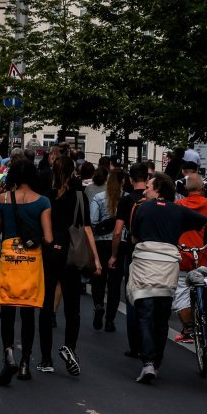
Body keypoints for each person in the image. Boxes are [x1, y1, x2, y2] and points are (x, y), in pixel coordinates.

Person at [128, 172, 207, 383]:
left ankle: (147, 364)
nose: (145, 190)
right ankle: (157, 362)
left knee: (145, 314)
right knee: (162, 318)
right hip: (169, 267)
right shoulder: (179, 210)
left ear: (158, 189)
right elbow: (206, 222)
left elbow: (134, 235)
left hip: (145, 265)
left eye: (148, 187)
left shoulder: (141, 208)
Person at [0, 159, 53, 385]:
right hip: (31, 261)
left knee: (7, 310)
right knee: (28, 312)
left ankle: (8, 354)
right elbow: (48, 238)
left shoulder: (3, 199)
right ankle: (26, 362)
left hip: (8, 260)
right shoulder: (43, 201)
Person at [38, 157, 101, 376]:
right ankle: (69, 348)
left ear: (53, 173)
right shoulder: (80, 197)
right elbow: (86, 229)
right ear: (74, 173)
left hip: (49, 254)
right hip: (72, 255)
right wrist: (96, 259)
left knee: (46, 307)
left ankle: (46, 359)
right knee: (73, 308)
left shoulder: (46, 197)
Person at [108, 162, 150, 358]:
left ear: (130, 180)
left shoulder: (126, 201)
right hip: (153, 252)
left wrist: (114, 255)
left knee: (133, 295)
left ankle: (135, 345)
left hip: (133, 251)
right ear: (147, 178)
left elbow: (117, 232)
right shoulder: (152, 199)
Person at [172, 173, 207, 342]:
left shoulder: (178, 205)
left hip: (183, 255)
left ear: (186, 188)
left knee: (181, 292)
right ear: (203, 188)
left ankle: (189, 329)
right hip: (203, 254)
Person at [89, 168, 126, 331]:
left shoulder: (98, 197)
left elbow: (92, 221)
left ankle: (98, 304)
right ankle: (110, 319)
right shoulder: (126, 199)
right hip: (120, 243)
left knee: (98, 277)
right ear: (123, 181)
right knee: (115, 283)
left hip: (101, 242)